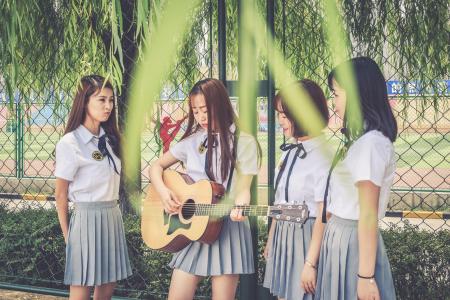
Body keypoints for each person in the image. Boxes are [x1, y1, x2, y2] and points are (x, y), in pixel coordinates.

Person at [149, 78, 260, 300]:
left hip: (227, 227)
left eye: (205, 110)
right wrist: (163, 191)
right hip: (193, 230)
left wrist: (241, 204)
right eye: (195, 110)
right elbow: (157, 166)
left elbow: (244, 188)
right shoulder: (192, 141)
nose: (200, 116)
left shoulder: (243, 140)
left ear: (220, 105)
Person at [315, 57, 397, 300]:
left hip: (353, 242)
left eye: (336, 94)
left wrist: (365, 277)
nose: (333, 102)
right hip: (342, 237)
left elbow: (368, 215)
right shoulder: (361, 141)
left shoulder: (371, 144)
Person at [54, 75, 132, 300]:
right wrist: (69, 237)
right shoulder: (70, 143)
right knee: (81, 286)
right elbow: (60, 195)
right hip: (86, 219)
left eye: (111, 100)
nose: (108, 106)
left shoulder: (111, 139)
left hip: (112, 216)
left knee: (109, 284)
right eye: (101, 100)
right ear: (84, 102)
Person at [263, 79, 330, 300]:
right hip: (284, 233)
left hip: (308, 237)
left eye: (284, 114)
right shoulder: (289, 151)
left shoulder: (323, 156)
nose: (279, 120)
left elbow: (323, 213)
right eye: (279, 114)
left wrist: (310, 262)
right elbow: (280, 201)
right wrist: (272, 237)